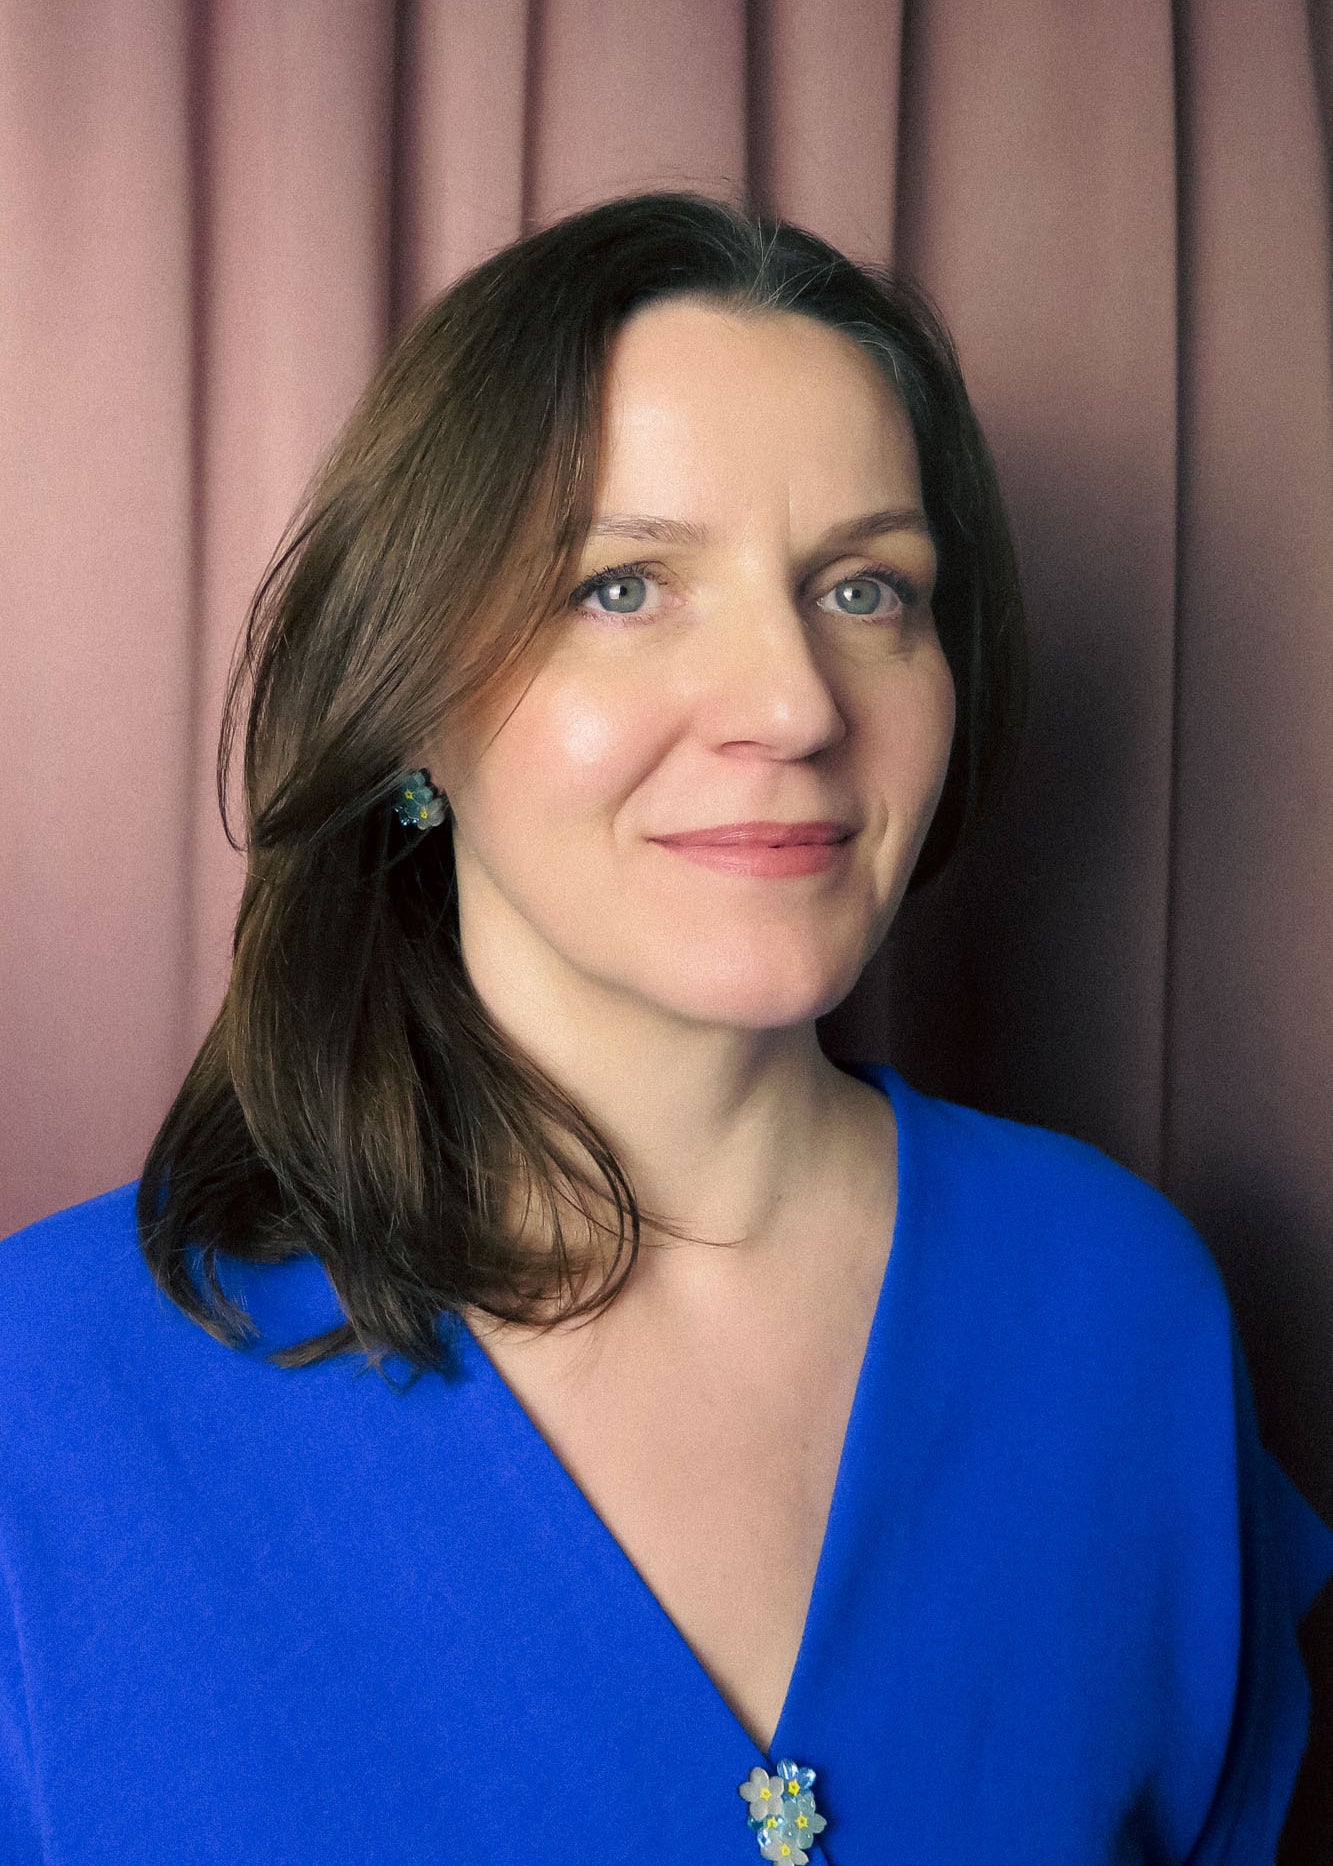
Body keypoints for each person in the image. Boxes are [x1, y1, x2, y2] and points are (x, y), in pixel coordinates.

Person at [1, 190, 1329, 1866]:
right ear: (404, 698)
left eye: (865, 589)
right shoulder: (40, 1401)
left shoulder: (1117, 1309)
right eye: (625, 587)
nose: (791, 704)